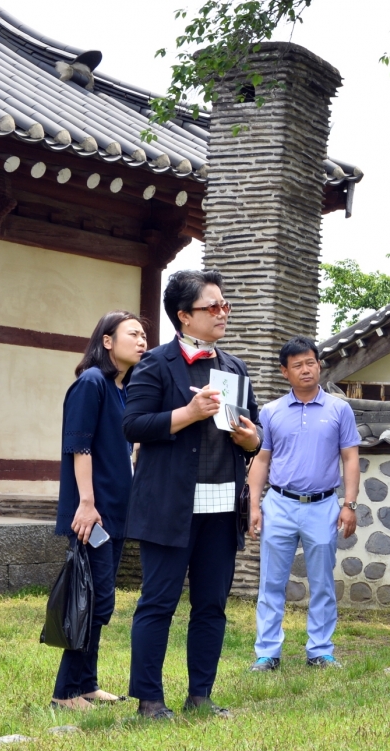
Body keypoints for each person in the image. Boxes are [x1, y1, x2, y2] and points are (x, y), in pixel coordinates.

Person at [123, 269, 262, 720]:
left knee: (211, 606)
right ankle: (149, 701)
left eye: (225, 306)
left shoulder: (234, 367)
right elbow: (133, 425)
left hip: (222, 509)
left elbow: (254, 435)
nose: (223, 314)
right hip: (168, 507)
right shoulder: (154, 364)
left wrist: (250, 441)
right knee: (158, 604)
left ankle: (200, 695)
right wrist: (186, 413)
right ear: (184, 316)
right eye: (212, 307)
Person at [49, 311, 148, 711]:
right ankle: (65, 693)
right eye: (133, 334)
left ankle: (86, 684)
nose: (142, 341)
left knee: (100, 600)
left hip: (115, 512)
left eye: (144, 335)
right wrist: (86, 504)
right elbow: (79, 446)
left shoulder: (122, 390)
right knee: (90, 600)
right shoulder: (90, 383)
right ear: (107, 341)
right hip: (93, 514)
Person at [247, 337, 360, 671]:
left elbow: (350, 458)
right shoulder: (271, 412)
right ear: (285, 372)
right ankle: (267, 652)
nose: (306, 369)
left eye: (310, 362)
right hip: (279, 503)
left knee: (323, 581)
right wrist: (254, 505)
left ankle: (320, 650)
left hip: (323, 504)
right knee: (271, 582)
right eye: (297, 365)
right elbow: (261, 460)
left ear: (319, 364)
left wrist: (349, 504)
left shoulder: (340, 409)